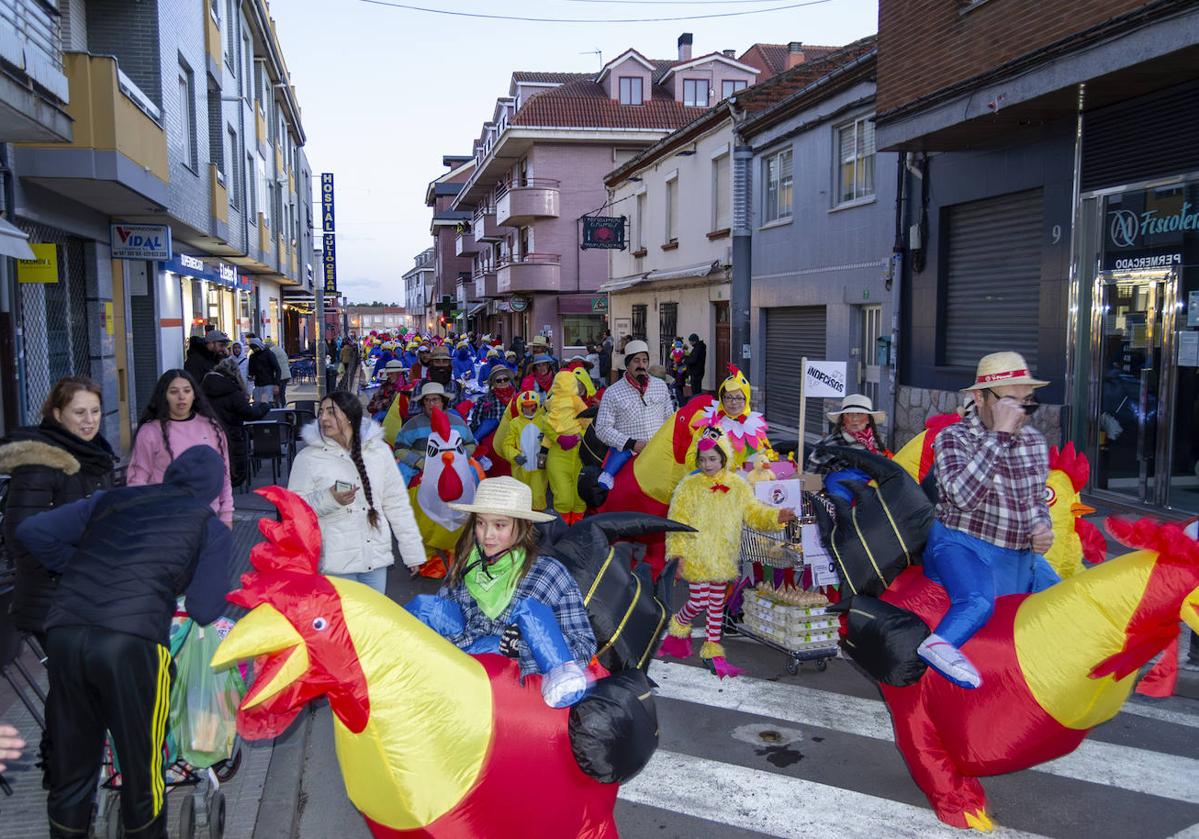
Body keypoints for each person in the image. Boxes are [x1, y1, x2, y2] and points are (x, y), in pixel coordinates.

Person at [15, 445, 232, 839]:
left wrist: (78, 567)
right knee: (142, 767)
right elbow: (203, 608)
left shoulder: (111, 500)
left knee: (73, 766)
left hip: (65, 633)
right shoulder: (207, 525)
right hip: (131, 645)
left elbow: (32, 531)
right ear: (214, 490)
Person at [917, 352, 1059, 690]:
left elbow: (1035, 498)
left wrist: (1042, 527)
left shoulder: (1034, 442)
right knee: (978, 601)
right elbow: (961, 497)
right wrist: (999, 436)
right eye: (1008, 401)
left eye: (1026, 402)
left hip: (1015, 553)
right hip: (959, 542)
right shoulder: (953, 438)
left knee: (1061, 600)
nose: (1019, 411)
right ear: (979, 398)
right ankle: (940, 645)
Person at [410, 476, 596, 708]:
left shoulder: (549, 574)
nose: (487, 535)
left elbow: (583, 645)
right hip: (464, 680)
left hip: (515, 696)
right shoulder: (465, 564)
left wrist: (522, 649)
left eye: (500, 525)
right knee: (423, 607)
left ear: (524, 527)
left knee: (530, 610)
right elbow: (443, 619)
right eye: (480, 523)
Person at [658, 431, 795, 677]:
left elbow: (753, 513)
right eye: (703, 460)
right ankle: (679, 621)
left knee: (716, 604)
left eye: (712, 459)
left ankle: (712, 649)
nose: (707, 465)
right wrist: (677, 554)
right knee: (700, 601)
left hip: (724, 555)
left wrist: (776, 517)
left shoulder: (738, 485)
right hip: (696, 555)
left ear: (724, 458)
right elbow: (676, 521)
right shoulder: (688, 486)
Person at [0, 377, 117, 640]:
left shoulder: (96, 456)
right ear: (57, 414)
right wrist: (84, 566)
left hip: (89, 598)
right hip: (54, 603)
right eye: (79, 412)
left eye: (95, 411)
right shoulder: (41, 462)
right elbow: (21, 536)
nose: (90, 420)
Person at [288, 391, 427, 592]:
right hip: (335, 562)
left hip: (375, 559)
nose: (323, 418)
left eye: (331, 412)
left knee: (373, 621)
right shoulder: (307, 458)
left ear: (351, 417)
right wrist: (330, 499)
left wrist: (412, 551)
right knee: (345, 622)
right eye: (321, 412)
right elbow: (293, 509)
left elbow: (396, 504)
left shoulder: (379, 452)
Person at [127, 370, 234, 527]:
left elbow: (224, 475)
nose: (181, 396)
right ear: (164, 396)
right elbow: (138, 479)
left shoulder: (211, 427)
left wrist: (226, 515)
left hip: (209, 520)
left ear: (194, 394)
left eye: (186, 390)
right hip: (166, 521)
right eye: (174, 392)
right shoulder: (150, 432)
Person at [593, 339, 675, 491]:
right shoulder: (613, 392)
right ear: (627, 364)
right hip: (628, 460)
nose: (641, 365)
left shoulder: (660, 386)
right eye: (636, 361)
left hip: (658, 457)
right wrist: (632, 443)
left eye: (644, 360)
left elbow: (670, 420)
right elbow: (602, 429)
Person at [202, 357, 270, 488]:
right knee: (231, 477)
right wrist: (264, 405)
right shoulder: (232, 391)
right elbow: (250, 414)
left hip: (208, 437)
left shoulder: (203, 388)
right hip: (231, 437)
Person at [808, 394, 890, 501]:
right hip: (840, 492)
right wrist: (820, 499)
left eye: (860, 414)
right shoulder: (832, 443)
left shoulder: (875, 443)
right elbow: (811, 474)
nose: (854, 419)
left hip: (869, 491)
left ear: (868, 420)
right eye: (848, 414)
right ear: (843, 419)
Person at [393, 382, 477, 483]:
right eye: (427, 400)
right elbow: (399, 448)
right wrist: (419, 462)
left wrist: (460, 458)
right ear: (423, 403)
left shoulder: (458, 422)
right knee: (400, 473)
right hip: (419, 465)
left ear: (443, 401)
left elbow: (470, 444)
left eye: (435, 399)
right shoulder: (413, 424)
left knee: (473, 471)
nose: (430, 404)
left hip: (453, 463)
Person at [543, 370, 591, 523]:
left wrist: (577, 437)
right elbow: (546, 424)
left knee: (579, 496)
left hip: (579, 453)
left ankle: (576, 529)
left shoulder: (576, 401)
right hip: (558, 453)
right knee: (563, 496)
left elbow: (589, 425)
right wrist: (558, 438)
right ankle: (562, 529)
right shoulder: (550, 402)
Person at [499, 390, 549, 510]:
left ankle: (537, 524)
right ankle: (522, 524)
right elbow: (507, 445)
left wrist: (546, 438)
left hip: (539, 468)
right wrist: (515, 456)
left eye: (532, 405)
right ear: (520, 407)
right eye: (525, 406)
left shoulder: (544, 421)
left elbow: (552, 440)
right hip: (521, 468)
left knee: (538, 497)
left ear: (537, 405)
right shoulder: (514, 424)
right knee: (521, 497)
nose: (529, 409)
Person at [248, 338, 281, 405]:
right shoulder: (252, 357)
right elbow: (251, 371)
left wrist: (276, 384)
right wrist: (250, 376)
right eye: (252, 347)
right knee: (257, 405)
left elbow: (277, 369)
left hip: (268, 385)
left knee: (265, 404)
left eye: (255, 347)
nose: (254, 349)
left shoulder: (268, 354)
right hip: (257, 385)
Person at [264, 337, 292, 407]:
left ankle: (280, 409)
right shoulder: (279, 349)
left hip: (279, 376)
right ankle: (284, 407)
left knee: (277, 394)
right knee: (282, 394)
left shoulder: (271, 351)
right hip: (286, 374)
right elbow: (286, 360)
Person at [685, 333, 707, 397]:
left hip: (695, 371)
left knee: (695, 389)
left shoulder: (697, 349)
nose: (690, 343)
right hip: (699, 371)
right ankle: (698, 401)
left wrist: (686, 360)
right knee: (697, 388)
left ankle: (697, 402)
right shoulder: (699, 347)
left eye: (690, 341)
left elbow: (693, 360)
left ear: (694, 341)